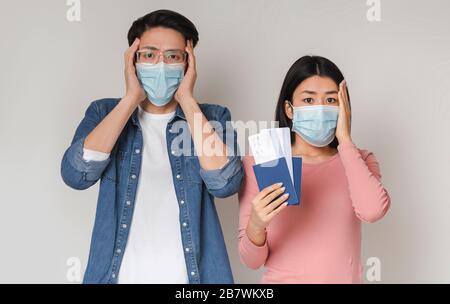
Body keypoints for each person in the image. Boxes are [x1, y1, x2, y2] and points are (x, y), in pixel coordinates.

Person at [61, 10, 243, 284]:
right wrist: (131, 97)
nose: (161, 64)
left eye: (173, 56)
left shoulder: (213, 117)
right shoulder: (103, 112)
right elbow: (75, 175)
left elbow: (225, 183)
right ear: (132, 60)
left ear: (188, 63)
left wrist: (188, 100)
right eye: (149, 54)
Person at [238, 55, 391, 283]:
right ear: (289, 109)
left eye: (330, 101)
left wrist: (345, 141)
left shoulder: (360, 160)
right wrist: (256, 224)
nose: (320, 109)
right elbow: (251, 261)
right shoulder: (261, 162)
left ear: (344, 108)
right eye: (309, 101)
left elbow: (372, 211)